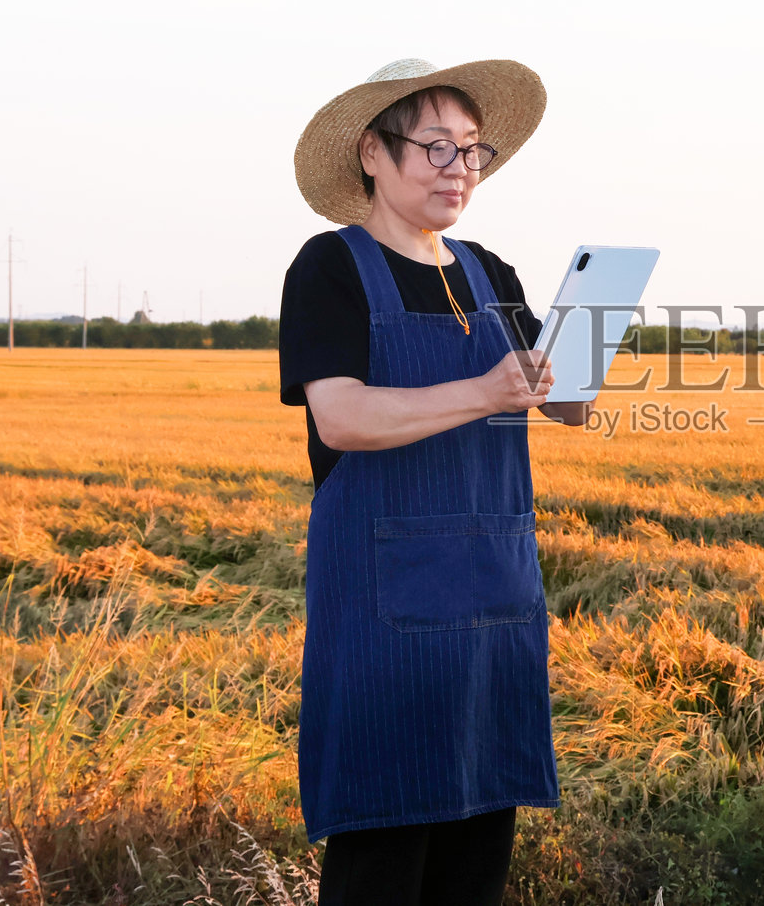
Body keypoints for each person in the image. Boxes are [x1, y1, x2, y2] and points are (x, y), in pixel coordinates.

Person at [279, 58, 588, 906]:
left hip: (491, 601)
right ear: (374, 153)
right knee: (380, 855)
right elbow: (341, 416)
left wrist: (579, 365)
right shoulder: (330, 268)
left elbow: (562, 410)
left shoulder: (491, 274)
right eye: (436, 148)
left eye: (471, 152)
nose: (459, 170)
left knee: (477, 853)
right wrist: (488, 390)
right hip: (382, 614)